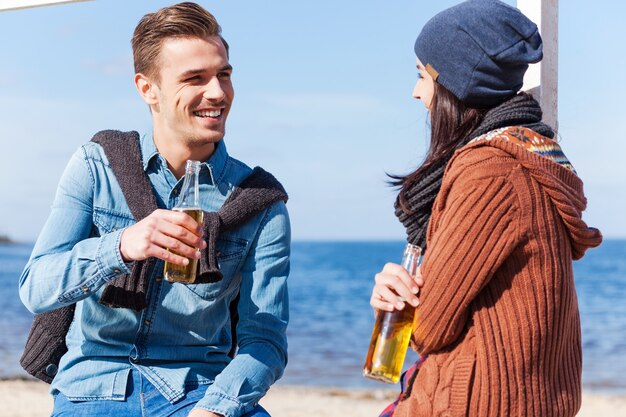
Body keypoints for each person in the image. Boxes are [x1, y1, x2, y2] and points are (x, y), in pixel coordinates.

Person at [18, 3, 290, 417]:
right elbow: (37, 288)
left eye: (224, 74)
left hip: (200, 390)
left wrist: (218, 408)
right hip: (94, 387)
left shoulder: (260, 201)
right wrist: (121, 246)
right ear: (148, 89)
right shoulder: (96, 166)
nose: (217, 92)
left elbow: (264, 339)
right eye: (194, 78)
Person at [369, 1, 602, 416]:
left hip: (476, 403)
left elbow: (430, 329)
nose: (416, 92)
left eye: (422, 75)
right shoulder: (529, 154)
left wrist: (396, 301)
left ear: (453, 85)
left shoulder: (490, 172)